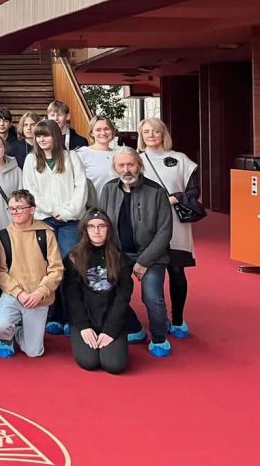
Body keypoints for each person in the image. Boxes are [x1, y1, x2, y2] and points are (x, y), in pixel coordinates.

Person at [100, 147, 174, 357]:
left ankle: (159, 338)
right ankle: (134, 328)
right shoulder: (108, 189)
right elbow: (102, 222)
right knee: (105, 291)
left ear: (139, 166)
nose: (126, 170)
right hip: (118, 254)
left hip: (151, 255)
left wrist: (144, 262)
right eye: (121, 165)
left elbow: (165, 232)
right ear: (115, 168)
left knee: (152, 298)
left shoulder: (156, 191)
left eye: (131, 164)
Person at [22, 118, 88, 334]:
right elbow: (30, 190)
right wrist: (52, 210)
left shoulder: (71, 157)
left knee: (69, 268)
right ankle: (54, 314)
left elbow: (81, 186)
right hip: (44, 219)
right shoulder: (31, 160)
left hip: (70, 221)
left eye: (46, 135)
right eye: (38, 136)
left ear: (56, 136)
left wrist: (68, 211)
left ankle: (71, 316)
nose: (42, 139)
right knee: (47, 267)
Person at [138, 116, 200, 339]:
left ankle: (178, 319)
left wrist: (174, 198)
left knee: (176, 270)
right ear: (141, 136)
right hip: (147, 224)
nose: (151, 135)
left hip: (175, 223)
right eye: (146, 132)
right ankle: (158, 318)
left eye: (155, 131)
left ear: (163, 134)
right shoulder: (136, 160)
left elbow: (194, 191)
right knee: (151, 273)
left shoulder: (180, 159)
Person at [0, 190, 63, 359]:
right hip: (13, 294)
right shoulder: (3, 236)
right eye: (11, 208)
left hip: (38, 297)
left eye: (19, 208)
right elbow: (0, 272)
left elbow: (56, 269)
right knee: (0, 326)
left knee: (33, 352)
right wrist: (18, 293)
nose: (14, 212)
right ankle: (6, 335)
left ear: (32, 210)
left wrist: (40, 292)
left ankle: (18, 332)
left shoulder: (46, 234)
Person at [64, 212, 133, 374]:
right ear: (85, 230)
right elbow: (72, 297)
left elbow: (123, 298)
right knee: (89, 362)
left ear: (109, 229)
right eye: (91, 226)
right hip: (85, 319)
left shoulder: (120, 258)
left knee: (114, 365)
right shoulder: (73, 258)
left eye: (102, 226)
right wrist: (83, 326)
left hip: (111, 319)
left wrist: (110, 330)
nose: (96, 231)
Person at [79, 115, 119, 199]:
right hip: (94, 204)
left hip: (117, 204)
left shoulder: (119, 154)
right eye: (98, 130)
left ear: (112, 131)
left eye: (106, 129)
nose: (103, 133)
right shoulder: (82, 153)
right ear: (91, 133)